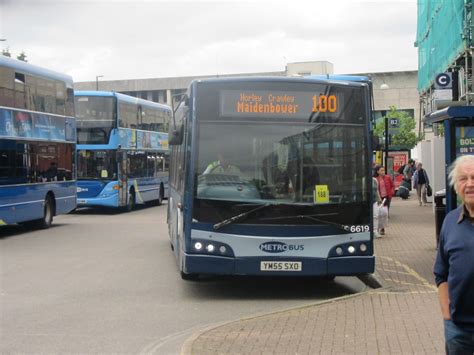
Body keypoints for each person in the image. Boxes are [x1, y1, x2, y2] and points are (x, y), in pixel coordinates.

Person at [433, 155, 474, 354]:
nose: (469, 184)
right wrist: (446, 313)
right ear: (456, 186)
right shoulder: (450, 222)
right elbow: (441, 272)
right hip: (458, 329)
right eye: (463, 179)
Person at [374, 165, 394, 235]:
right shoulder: (375, 179)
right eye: (381, 170)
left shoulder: (387, 177)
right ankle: (377, 228)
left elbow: (392, 186)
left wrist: (391, 193)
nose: (383, 172)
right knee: (378, 213)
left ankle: (382, 228)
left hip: (386, 198)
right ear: (377, 171)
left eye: (383, 170)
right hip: (379, 198)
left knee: (384, 213)